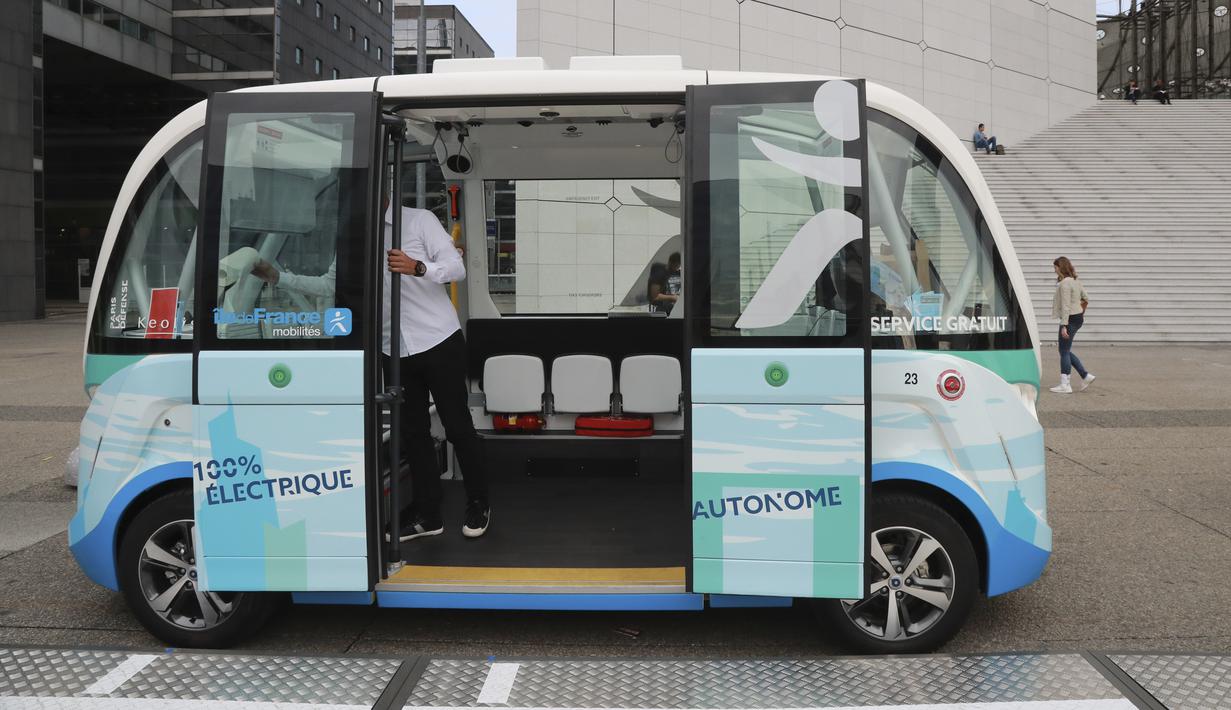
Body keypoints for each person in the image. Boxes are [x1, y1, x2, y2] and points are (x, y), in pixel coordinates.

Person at [385, 203, 490, 541]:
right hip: (393, 348)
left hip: (439, 340)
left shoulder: (419, 221)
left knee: (457, 426)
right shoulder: (357, 236)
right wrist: (279, 278)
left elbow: (456, 268)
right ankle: (428, 515)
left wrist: (417, 267)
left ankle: (479, 503)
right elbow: (331, 281)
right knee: (412, 434)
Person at [1049, 256, 1095, 394]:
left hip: (1069, 319)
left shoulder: (1064, 284)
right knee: (1065, 350)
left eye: (1055, 267)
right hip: (1077, 318)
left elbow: (1066, 305)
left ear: (1061, 267)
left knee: (1063, 351)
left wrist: (1064, 325)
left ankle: (1065, 385)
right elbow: (1086, 298)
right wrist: (1079, 310)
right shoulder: (1076, 281)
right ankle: (1085, 376)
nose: (1054, 270)